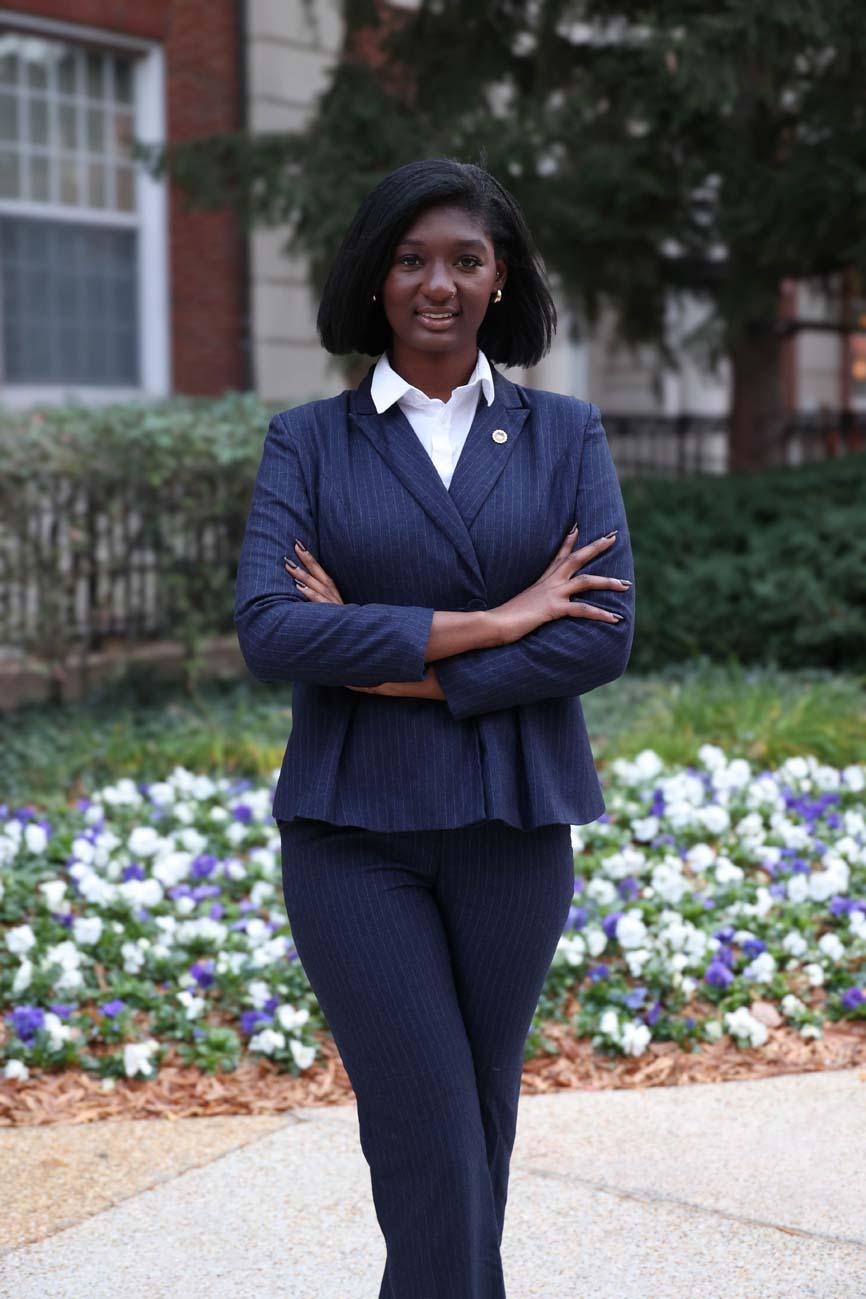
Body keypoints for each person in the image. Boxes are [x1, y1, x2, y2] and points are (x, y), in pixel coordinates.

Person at [234, 157, 635, 1299]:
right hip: (352, 831)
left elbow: (599, 637)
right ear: (375, 278)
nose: (437, 284)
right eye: (410, 259)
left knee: (477, 1134)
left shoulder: (564, 434)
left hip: (513, 825)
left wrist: (405, 664)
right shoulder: (308, 441)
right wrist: (499, 620)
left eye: (464, 258)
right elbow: (271, 631)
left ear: (499, 277)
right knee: (431, 1137)